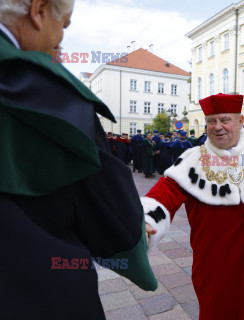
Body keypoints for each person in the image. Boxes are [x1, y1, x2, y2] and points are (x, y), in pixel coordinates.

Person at [0, 1, 157, 318]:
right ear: (39, 10)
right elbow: (109, 213)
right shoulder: (46, 91)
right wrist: (137, 234)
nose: (60, 40)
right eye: (64, 25)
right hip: (40, 293)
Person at [142, 93, 244, 320]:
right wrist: (146, 220)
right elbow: (163, 194)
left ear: (239, 120)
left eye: (225, 120)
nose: (218, 127)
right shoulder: (192, 159)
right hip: (216, 267)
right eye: (211, 121)